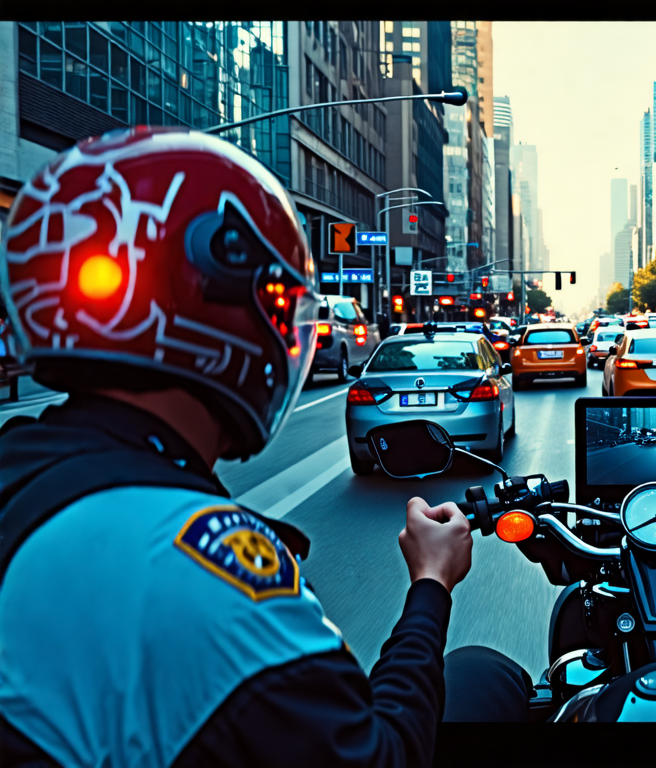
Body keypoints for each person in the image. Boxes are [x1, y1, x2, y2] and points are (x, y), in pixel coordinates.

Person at [0, 126, 474, 766]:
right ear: (215, 305)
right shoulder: (194, 558)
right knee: (483, 680)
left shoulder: (24, 468)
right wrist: (431, 584)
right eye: (277, 304)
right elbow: (378, 755)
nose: (286, 333)